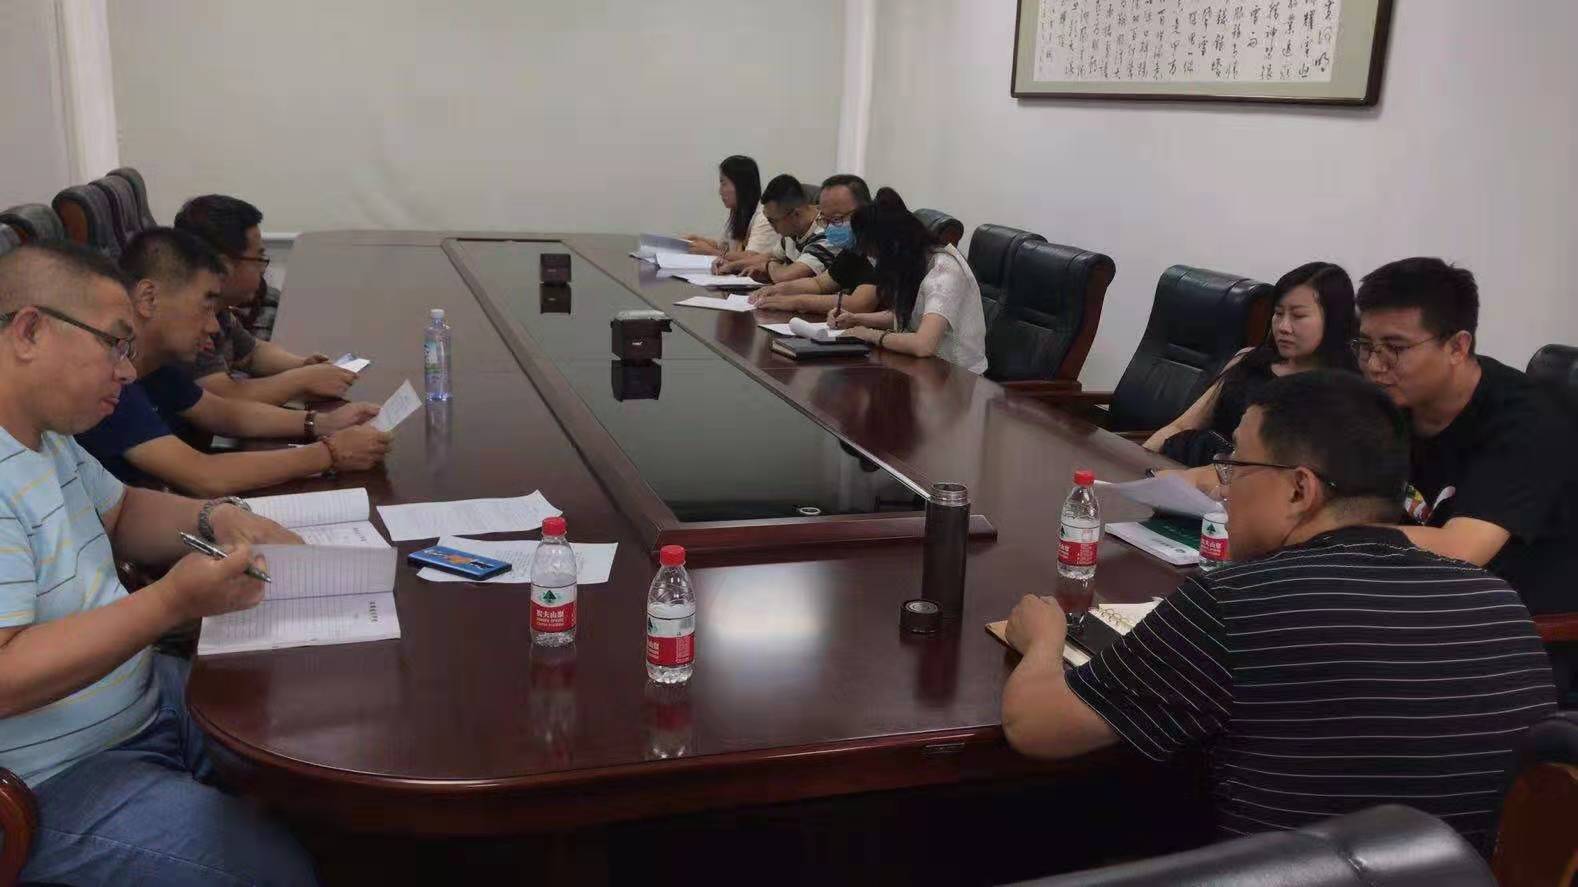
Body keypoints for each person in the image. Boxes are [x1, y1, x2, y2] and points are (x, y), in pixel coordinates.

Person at [1001, 370, 1556, 850]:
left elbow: (1037, 727)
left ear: (1299, 491)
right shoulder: (1499, 602)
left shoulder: (1234, 602)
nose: (1223, 489)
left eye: (1235, 465)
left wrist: (1044, 639)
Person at [0, 241, 318, 885]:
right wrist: (170, 603)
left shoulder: (45, 435)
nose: (127, 369)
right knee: (274, 872)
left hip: (140, 701)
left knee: (313, 741)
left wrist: (213, 517)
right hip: (51, 779)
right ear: (30, 331)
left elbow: (122, 513)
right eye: (114, 344)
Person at [76, 228, 391, 496]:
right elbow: (203, 475)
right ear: (148, 298)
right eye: (206, 305)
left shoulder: (157, 363)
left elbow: (223, 413)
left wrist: (322, 423)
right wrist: (331, 453)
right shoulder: (108, 380)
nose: (214, 326)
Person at [1355, 257, 1578, 616]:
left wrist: (1329, 533)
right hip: (1419, 591)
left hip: (1517, 620)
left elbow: (1461, 548)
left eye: (1395, 348)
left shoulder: (1527, 422)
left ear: (1458, 347)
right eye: (1366, 345)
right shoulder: (1388, 399)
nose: (1374, 365)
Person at [1149, 262, 1359, 487]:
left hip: (1230, 489)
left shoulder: (1338, 394)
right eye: (1278, 313)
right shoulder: (1249, 359)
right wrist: (1140, 461)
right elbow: (1181, 426)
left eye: (1298, 316)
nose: (1283, 326)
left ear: (1334, 321)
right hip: (1178, 468)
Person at [174, 194, 356, 405]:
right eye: (258, 258)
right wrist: (302, 381)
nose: (262, 269)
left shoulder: (219, 312)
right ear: (223, 266)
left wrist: (302, 365)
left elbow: (252, 353)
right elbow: (225, 397)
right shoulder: (186, 325)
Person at [826, 188, 988, 374]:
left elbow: (923, 344)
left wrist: (868, 334)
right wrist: (855, 319)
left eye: (875, 254)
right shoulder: (915, 264)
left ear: (892, 246)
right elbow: (908, 316)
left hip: (958, 378)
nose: (873, 261)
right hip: (925, 369)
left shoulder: (944, 273)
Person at [748, 174, 882, 315]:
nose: (830, 227)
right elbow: (819, 284)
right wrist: (777, 290)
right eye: (825, 220)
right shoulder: (854, 248)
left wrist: (796, 302)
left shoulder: (882, 245)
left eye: (836, 219)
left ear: (865, 211)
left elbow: (859, 304)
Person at [713, 174, 837, 284]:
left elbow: (786, 276)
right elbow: (771, 256)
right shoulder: (794, 230)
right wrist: (731, 266)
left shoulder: (827, 233)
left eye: (772, 221)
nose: (771, 226)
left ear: (795, 214)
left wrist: (767, 266)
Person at [682, 155, 777, 258]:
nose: (720, 191)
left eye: (724, 184)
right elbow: (723, 247)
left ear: (741, 186)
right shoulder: (738, 212)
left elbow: (750, 258)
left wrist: (710, 252)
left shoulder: (764, 218)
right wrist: (699, 240)